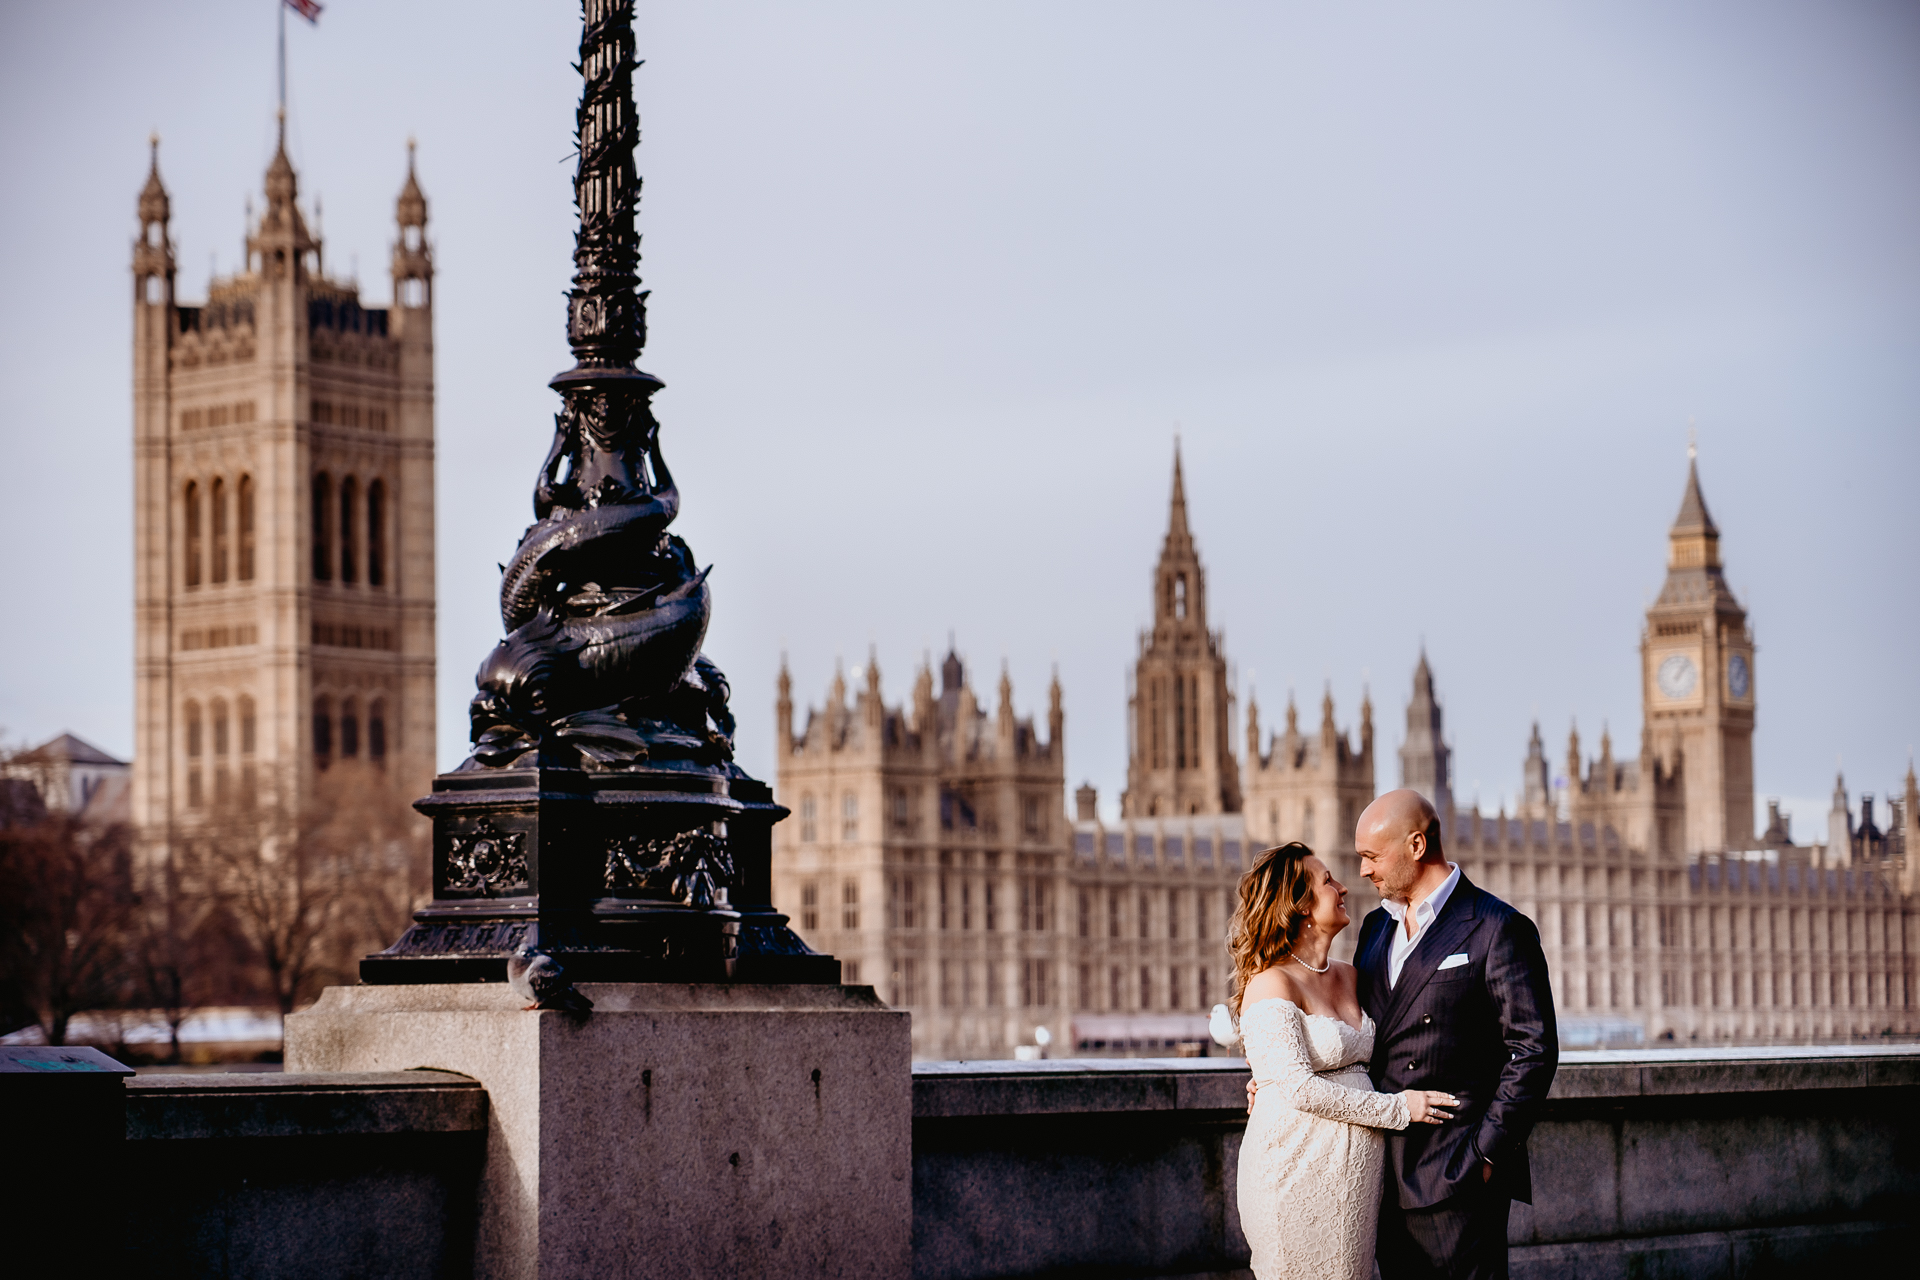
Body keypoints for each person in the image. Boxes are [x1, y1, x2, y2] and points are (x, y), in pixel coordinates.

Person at [1231, 841, 1461, 1280]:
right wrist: (1400, 1108)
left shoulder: (1353, 974)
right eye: (1327, 881)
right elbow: (1298, 1088)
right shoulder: (1270, 983)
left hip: (1354, 1183)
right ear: (1298, 905)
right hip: (1292, 1171)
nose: (1344, 887)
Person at [1354, 790, 1558, 1280]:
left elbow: (1533, 1051)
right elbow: (1357, 1036)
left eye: (1372, 856)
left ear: (1418, 845)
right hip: (1378, 1177)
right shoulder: (1373, 930)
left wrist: (1484, 1155)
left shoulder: (1495, 927)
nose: (1362, 871)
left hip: (1455, 1177)